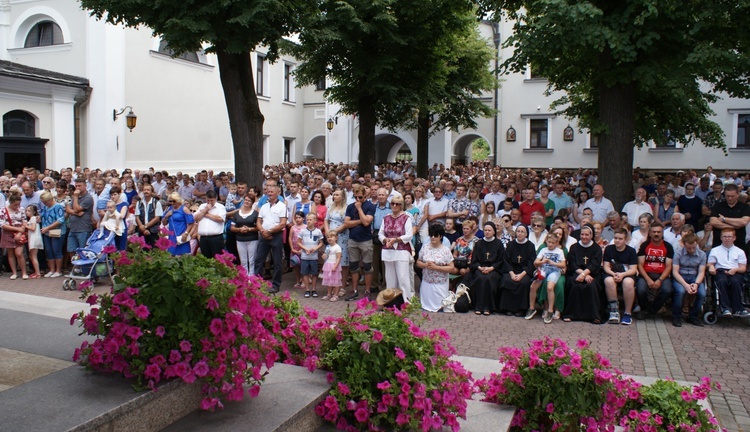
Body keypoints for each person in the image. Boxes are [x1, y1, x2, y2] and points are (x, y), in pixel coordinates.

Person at [563, 224, 603, 323]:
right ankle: (571, 314)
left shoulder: (596, 248)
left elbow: (595, 264)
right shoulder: (574, 247)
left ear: (591, 235)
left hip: (592, 274)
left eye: (586, 235)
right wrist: (582, 274)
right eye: (582, 234)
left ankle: (594, 316)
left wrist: (585, 274)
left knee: (591, 285)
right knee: (574, 285)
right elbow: (572, 264)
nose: (584, 237)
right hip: (576, 273)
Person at [636, 224, 676, 323]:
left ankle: (651, 310)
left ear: (662, 233)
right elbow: (640, 265)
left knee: (667, 290)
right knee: (641, 290)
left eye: (658, 232)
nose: (656, 234)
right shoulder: (644, 245)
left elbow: (669, 266)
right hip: (646, 274)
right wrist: (648, 279)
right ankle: (645, 308)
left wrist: (660, 280)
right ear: (650, 233)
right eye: (654, 232)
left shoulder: (668, 246)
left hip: (662, 275)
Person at [379, 195, 414, 301]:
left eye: (397, 204)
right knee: (390, 279)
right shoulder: (385, 218)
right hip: (388, 250)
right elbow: (380, 233)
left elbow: (409, 235)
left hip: (402, 250)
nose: (394, 206)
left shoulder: (406, 218)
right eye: (392, 203)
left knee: (403, 278)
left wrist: (396, 239)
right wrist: (385, 240)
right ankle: (391, 301)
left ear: (401, 205)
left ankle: (406, 301)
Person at [254, 183, 288, 293]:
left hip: (276, 235)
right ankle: (256, 283)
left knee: (277, 261)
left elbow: (283, 223)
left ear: (278, 193)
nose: (270, 194)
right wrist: (263, 231)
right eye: (268, 192)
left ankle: (276, 284)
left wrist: (269, 231)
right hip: (264, 236)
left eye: (272, 192)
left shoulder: (282, 206)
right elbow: (258, 221)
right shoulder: (264, 206)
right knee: (259, 260)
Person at [707, 229, 749, 317]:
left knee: (736, 282)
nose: (727, 239)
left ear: (734, 238)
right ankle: (725, 308)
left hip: (736, 272)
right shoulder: (715, 250)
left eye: (729, 236)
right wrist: (711, 267)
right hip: (720, 272)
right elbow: (710, 264)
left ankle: (738, 309)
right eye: (724, 236)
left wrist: (735, 270)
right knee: (721, 281)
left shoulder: (740, 252)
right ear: (721, 238)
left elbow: (743, 268)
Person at [527, 232, 566, 324]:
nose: (550, 244)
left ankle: (550, 310)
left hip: (554, 271)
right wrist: (542, 262)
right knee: (533, 287)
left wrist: (553, 263)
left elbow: (563, 264)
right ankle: (532, 308)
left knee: (549, 287)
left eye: (553, 243)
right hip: (544, 270)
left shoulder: (559, 251)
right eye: (549, 242)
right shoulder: (543, 250)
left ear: (556, 243)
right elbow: (536, 262)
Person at [467, 221, 505, 316]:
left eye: (489, 230)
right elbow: (474, 260)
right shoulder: (479, 243)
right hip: (480, 268)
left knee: (488, 279)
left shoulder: (498, 243)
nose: (487, 232)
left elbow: (501, 260)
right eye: (485, 230)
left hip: (494, 269)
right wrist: (480, 268)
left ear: (494, 232)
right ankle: (478, 306)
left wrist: (491, 268)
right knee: (480, 278)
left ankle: (488, 307)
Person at [603, 228, 639, 325]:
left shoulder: (631, 251)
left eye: (620, 239)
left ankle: (627, 313)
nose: (617, 241)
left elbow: (633, 269)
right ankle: (613, 311)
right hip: (612, 273)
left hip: (626, 274)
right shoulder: (609, 249)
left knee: (628, 283)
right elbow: (606, 266)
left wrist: (622, 275)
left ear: (625, 240)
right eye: (615, 238)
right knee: (609, 281)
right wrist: (613, 274)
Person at [498, 224, 535, 315]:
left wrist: (521, 274)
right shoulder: (511, 244)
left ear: (526, 234)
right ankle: (507, 308)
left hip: (524, 271)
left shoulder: (530, 246)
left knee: (524, 282)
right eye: (518, 231)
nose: (520, 234)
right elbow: (506, 260)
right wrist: (512, 274)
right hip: (511, 270)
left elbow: (531, 263)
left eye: (522, 232)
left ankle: (521, 309)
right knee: (507, 280)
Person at [416, 223, 455, 312]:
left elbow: (451, 268)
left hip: (440, 282)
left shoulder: (445, 250)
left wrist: (436, 267)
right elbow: (418, 262)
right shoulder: (425, 248)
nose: (433, 237)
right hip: (427, 281)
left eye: (435, 235)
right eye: (431, 235)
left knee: (440, 305)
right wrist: (426, 265)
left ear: (440, 236)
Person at [672, 233, 707, 326]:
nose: (691, 250)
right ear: (684, 245)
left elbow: (701, 272)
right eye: (689, 248)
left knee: (702, 293)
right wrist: (685, 285)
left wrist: (696, 284)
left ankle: (693, 316)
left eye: (694, 248)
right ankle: (676, 316)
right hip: (680, 276)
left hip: (694, 277)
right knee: (680, 292)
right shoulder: (678, 253)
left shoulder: (702, 255)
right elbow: (675, 272)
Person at [709, 183, 750, 250]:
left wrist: (724, 219)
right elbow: (713, 222)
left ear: (737, 195)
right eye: (727, 196)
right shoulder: (718, 206)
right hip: (719, 244)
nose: (730, 198)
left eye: (732, 196)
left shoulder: (744, 207)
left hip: (738, 244)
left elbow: (744, 222)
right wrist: (735, 226)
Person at [325, 189, 350, 296]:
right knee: (331, 261)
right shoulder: (331, 207)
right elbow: (326, 220)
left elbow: (346, 223)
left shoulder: (346, 208)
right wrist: (327, 232)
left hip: (342, 236)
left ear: (343, 197)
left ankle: (342, 286)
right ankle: (332, 286)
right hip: (331, 237)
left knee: (342, 262)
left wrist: (335, 232)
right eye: (334, 195)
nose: (335, 196)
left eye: (337, 195)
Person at [1, 193, 28, 280]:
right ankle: (14, 272)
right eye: (15, 204)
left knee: (19, 253)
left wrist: (20, 232)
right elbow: (2, 224)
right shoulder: (3, 210)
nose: (17, 206)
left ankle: (24, 272)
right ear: (10, 202)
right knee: (10, 254)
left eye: (18, 204)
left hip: (19, 232)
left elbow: (24, 221)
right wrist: (16, 229)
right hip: (8, 232)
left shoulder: (21, 209)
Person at [229, 195, 259, 273]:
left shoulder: (255, 214)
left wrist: (249, 229)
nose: (247, 202)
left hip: (252, 239)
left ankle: (251, 278)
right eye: (246, 200)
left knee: (252, 260)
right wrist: (240, 229)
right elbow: (232, 228)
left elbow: (258, 227)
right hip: (240, 240)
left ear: (252, 203)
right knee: (243, 260)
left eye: (249, 200)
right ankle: (244, 278)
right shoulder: (236, 213)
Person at [39, 191, 65, 277]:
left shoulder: (58, 207)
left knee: (56, 250)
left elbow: (60, 220)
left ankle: (58, 270)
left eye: (45, 202)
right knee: (49, 251)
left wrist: (48, 227)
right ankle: (51, 270)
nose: (44, 203)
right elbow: (42, 216)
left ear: (50, 200)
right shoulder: (45, 207)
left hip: (56, 231)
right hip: (46, 232)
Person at [66, 178, 94, 258]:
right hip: (73, 228)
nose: (78, 188)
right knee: (71, 250)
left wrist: (75, 197)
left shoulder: (88, 198)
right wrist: (76, 213)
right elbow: (68, 209)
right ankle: (76, 268)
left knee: (83, 251)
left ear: (85, 186)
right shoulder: (77, 197)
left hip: (83, 229)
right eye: (76, 186)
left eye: (80, 186)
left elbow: (77, 208)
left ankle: (82, 269)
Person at [298, 213, 324, 298]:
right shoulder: (303, 231)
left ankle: (314, 289)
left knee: (314, 273)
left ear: (315, 221)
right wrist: (305, 248)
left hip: (314, 256)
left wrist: (315, 248)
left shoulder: (318, 231)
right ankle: (307, 289)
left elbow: (321, 243)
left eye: (310, 219)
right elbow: (298, 242)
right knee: (305, 273)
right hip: (305, 256)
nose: (308, 221)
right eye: (307, 219)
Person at [321, 232, 343, 301]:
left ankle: (336, 295)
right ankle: (329, 294)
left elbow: (339, 258)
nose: (329, 238)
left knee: (336, 281)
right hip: (328, 264)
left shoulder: (337, 247)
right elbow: (326, 255)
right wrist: (324, 256)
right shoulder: (328, 247)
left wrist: (335, 266)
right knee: (329, 281)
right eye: (328, 237)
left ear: (336, 238)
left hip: (334, 264)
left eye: (331, 237)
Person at [24, 205, 43, 279]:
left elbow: (33, 228)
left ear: (34, 212)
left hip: (34, 239)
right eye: (26, 211)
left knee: (34, 256)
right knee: (32, 256)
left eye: (29, 211)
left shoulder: (33, 218)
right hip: (33, 238)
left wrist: (26, 226)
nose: (27, 212)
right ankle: (36, 271)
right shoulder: (32, 219)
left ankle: (38, 273)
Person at [289, 211, 305, 289]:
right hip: (294, 249)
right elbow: (290, 238)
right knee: (296, 266)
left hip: (303, 249)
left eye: (299, 217)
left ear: (303, 218)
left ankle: (304, 280)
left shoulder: (305, 227)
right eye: (296, 218)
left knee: (303, 265)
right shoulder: (293, 227)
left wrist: (302, 249)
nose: (298, 219)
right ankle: (298, 281)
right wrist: (292, 248)